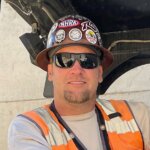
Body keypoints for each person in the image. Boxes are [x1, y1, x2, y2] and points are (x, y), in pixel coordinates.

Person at [8, 15, 150, 150]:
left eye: (87, 61)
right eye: (64, 60)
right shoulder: (29, 128)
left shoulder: (138, 115)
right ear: (50, 72)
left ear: (99, 73)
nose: (77, 70)